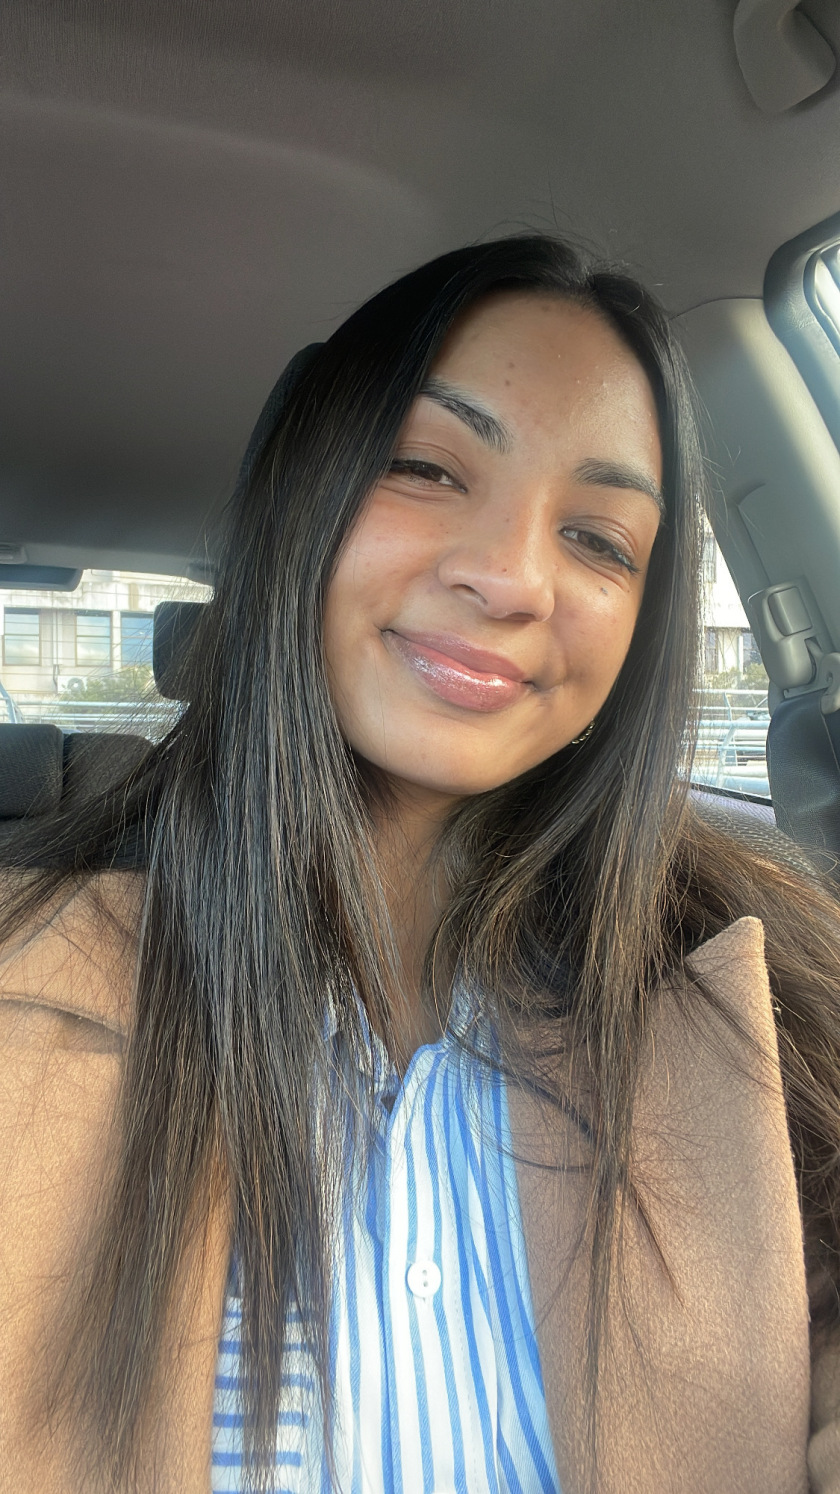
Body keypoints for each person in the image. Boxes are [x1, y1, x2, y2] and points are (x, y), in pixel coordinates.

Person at [2, 234, 840, 1494]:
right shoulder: (25, 985)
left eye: (600, 539)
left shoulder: (773, 1005)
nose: (511, 577)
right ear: (300, 499)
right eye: (427, 467)